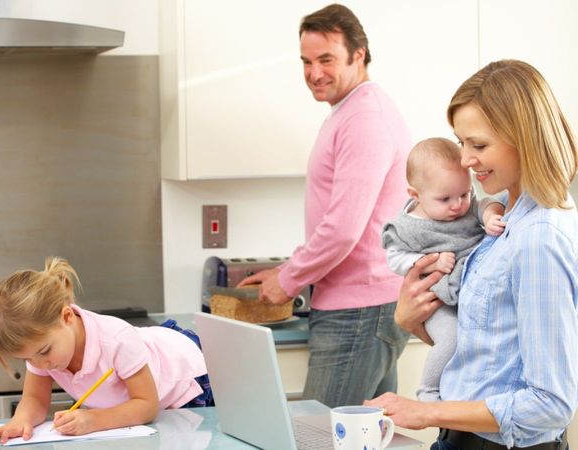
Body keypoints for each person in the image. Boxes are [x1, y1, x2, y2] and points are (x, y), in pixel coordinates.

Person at [365, 59, 578, 450]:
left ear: (524, 138)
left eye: (478, 145)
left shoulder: (538, 239)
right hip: (462, 438)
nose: (464, 159)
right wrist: (411, 321)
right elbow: (490, 349)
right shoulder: (500, 215)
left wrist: (427, 411)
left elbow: (551, 404)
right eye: (461, 142)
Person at [238, 3, 412, 408]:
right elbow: (341, 221)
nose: (314, 73)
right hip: (366, 305)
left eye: (326, 59)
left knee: (320, 437)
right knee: (364, 435)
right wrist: (288, 268)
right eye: (306, 61)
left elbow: (344, 229)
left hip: (359, 312)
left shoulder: (365, 118)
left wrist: (289, 280)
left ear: (359, 54)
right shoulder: (350, 112)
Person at [0, 257, 210, 445]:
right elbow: (35, 398)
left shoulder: (116, 340)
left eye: (44, 352)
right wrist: (20, 421)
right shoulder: (40, 349)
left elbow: (147, 406)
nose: (40, 365)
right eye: (27, 359)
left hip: (187, 376)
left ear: (67, 317)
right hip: (135, 400)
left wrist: (94, 419)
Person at [382, 137, 505, 402]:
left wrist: (490, 216)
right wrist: (428, 262)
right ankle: (428, 390)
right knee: (451, 340)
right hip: (438, 301)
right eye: (445, 198)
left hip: (471, 293)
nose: (457, 205)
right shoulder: (407, 227)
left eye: (464, 193)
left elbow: (486, 204)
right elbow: (395, 257)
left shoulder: (467, 206)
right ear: (415, 195)